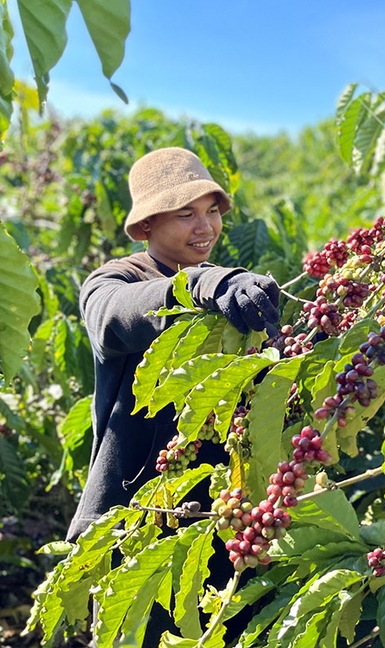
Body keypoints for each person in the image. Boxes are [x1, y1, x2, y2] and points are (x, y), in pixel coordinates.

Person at [66, 147, 281, 543]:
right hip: (130, 518)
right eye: (186, 214)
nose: (205, 227)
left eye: (212, 211)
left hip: (225, 517)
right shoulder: (116, 279)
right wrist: (199, 286)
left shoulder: (229, 286)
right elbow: (115, 314)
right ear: (147, 225)